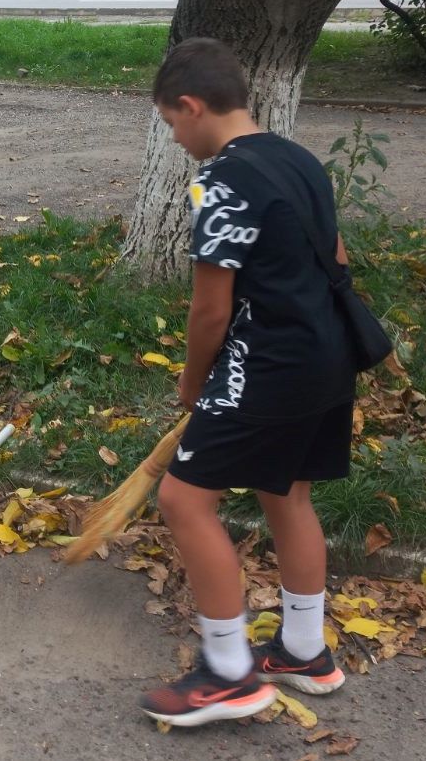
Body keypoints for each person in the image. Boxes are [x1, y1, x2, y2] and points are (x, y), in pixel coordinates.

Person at [138, 38, 354, 727]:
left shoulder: (224, 179)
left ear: (193, 107)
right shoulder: (296, 159)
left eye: (172, 123)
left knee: (183, 500)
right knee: (286, 493)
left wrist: (194, 382)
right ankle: (301, 650)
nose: (176, 138)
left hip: (267, 365)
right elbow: (339, 256)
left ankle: (229, 672)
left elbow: (210, 309)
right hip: (327, 355)